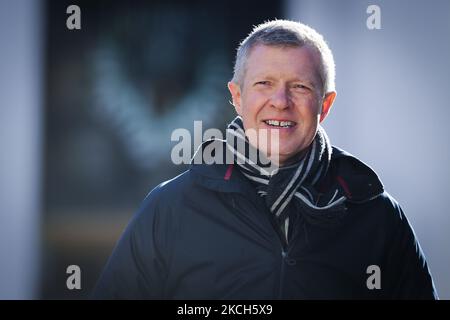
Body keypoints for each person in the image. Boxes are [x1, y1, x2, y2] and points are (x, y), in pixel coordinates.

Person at [92, 19, 437, 299]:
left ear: (326, 105)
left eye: (300, 86)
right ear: (237, 97)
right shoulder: (169, 209)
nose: (281, 101)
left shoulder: (377, 216)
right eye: (264, 83)